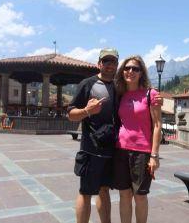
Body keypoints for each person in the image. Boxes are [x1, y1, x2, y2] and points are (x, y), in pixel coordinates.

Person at [68, 48, 119, 223]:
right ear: (99, 64)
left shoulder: (118, 87)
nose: (110, 65)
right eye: (106, 61)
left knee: (104, 190)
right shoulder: (87, 84)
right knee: (86, 192)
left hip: (111, 149)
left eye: (113, 62)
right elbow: (71, 114)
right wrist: (87, 111)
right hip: (90, 149)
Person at [114, 55, 162, 223]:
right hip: (120, 150)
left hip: (142, 152)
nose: (130, 71)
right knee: (124, 195)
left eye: (135, 68)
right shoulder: (121, 94)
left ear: (142, 73)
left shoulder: (151, 94)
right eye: (127, 68)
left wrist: (154, 156)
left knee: (140, 196)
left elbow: (157, 126)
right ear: (122, 72)